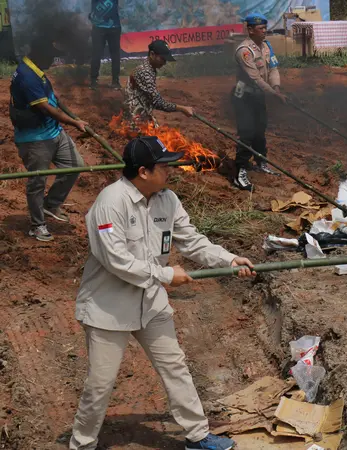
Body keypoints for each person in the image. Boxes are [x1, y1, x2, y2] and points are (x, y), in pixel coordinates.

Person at [68, 136, 256, 450]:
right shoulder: (110, 203)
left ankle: (197, 437)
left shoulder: (167, 200)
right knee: (100, 385)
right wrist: (167, 274)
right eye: (163, 166)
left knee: (175, 366)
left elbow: (192, 241)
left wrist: (230, 259)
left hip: (151, 303)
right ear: (143, 171)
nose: (170, 171)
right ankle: (82, 444)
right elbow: (116, 261)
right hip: (108, 308)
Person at [10, 37, 89, 242]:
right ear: (39, 55)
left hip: (53, 132)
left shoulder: (34, 68)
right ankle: (37, 225)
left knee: (75, 165)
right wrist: (75, 122)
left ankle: (51, 204)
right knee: (37, 182)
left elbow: (51, 99)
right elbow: (44, 108)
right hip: (35, 139)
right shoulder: (27, 76)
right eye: (51, 57)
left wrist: (67, 113)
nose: (53, 61)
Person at [232, 13, 287, 191]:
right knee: (246, 132)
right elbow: (255, 78)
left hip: (258, 96)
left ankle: (260, 162)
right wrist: (273, 94)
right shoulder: (244, 51)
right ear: (250, 29)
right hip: (244, 97)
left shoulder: (266, 46)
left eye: (265, 27)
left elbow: (273, 69)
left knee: (260, 129)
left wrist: (276, 88)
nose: (265, 31)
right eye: (261, 28)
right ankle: (239, 171)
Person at [123, 39, 194, 125]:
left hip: (141, 111)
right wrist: (182, 108)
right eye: (162, 59)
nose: (164, 63)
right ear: (152, 54)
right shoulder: (145, 73)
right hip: (134, 117)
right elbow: (158, 102)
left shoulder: (149, 69)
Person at [89, 0, 122, 90]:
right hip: (98, 27)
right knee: (96, 54)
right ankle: (93, 80)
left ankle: (115, 81)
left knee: (115, 55)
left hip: (114, 27)